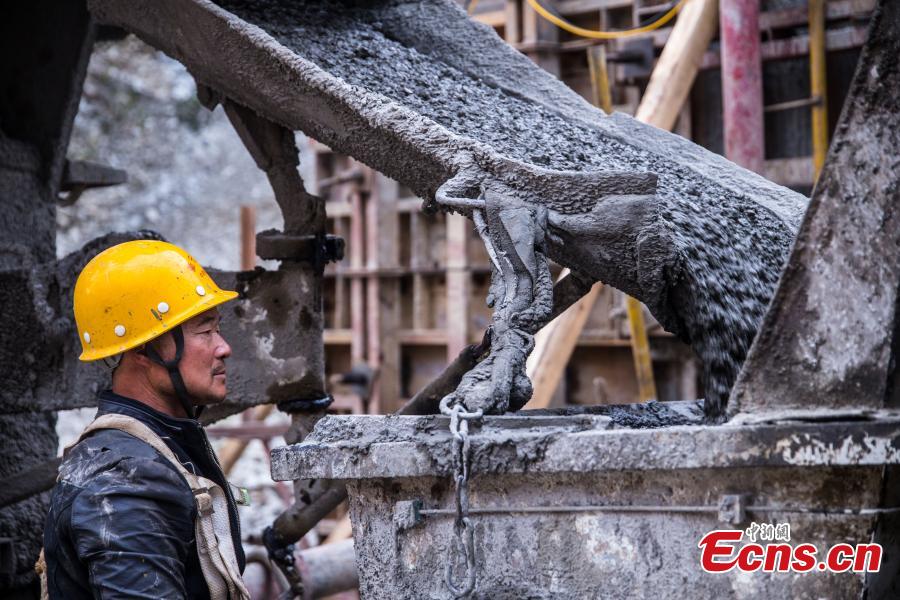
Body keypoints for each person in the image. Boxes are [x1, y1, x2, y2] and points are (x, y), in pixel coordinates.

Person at [41, 240, 250, 599]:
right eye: (205, 331)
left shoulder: (151, 454)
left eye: (217, 328)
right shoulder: (127, 485)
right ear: (143, 348)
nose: (224, 347)